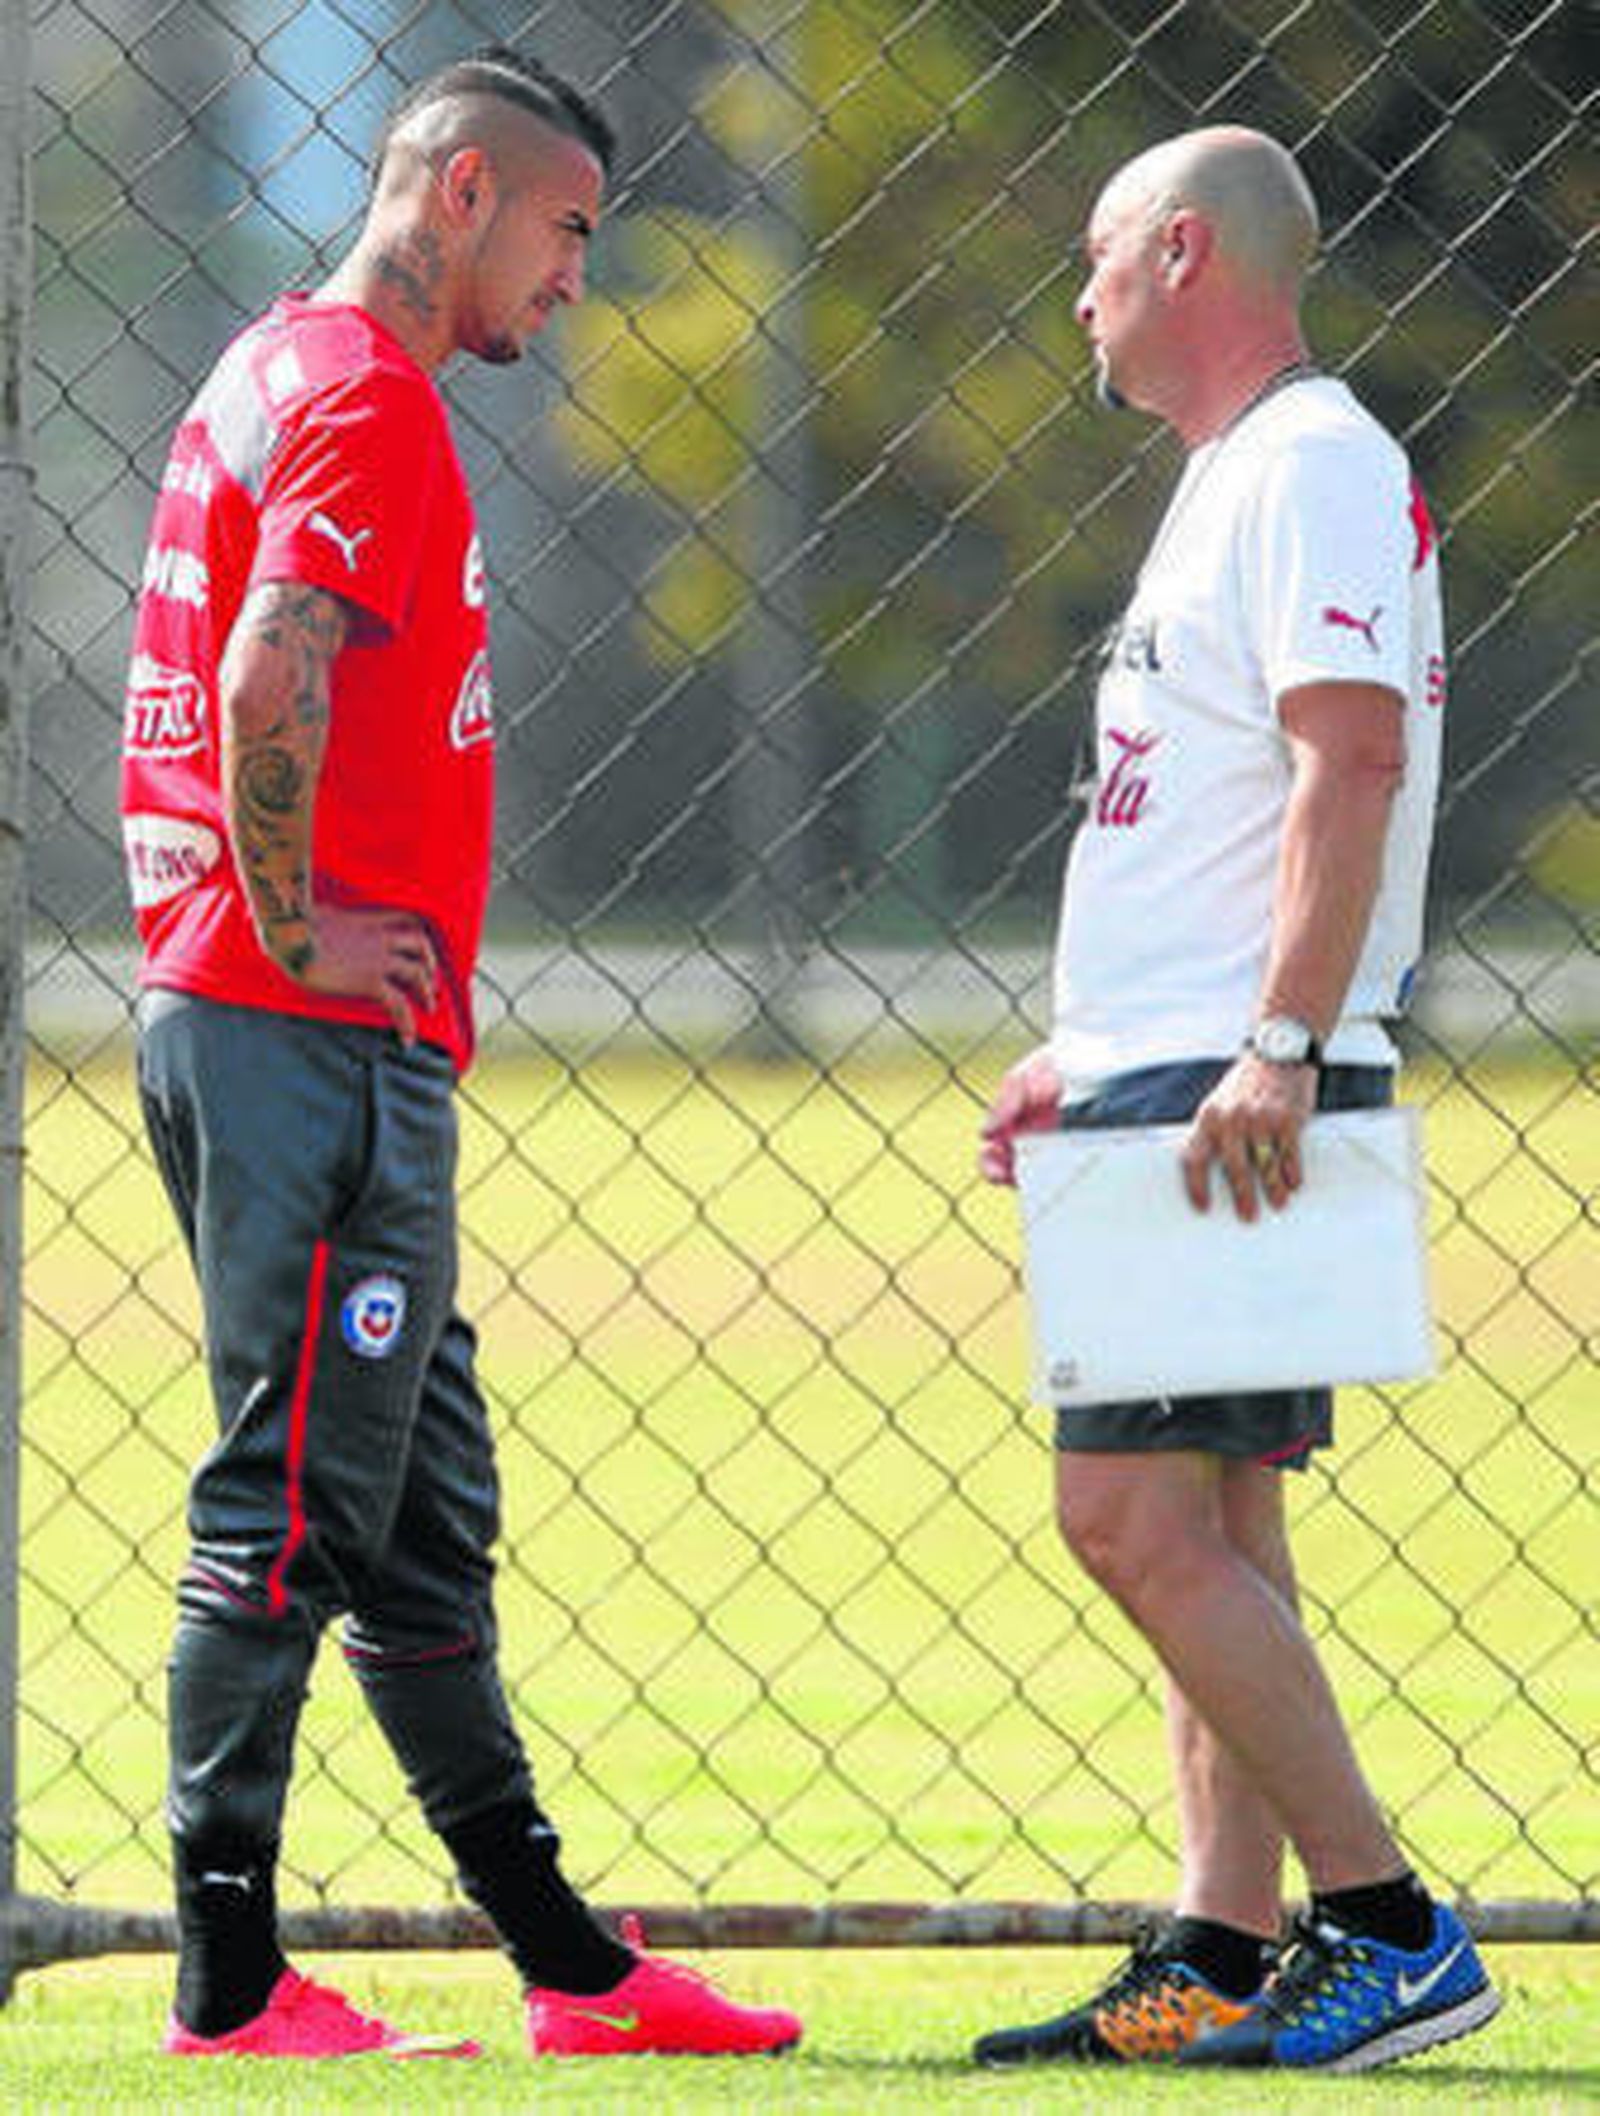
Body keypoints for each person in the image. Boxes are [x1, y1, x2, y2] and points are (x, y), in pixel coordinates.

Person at [121, 45, 801, 2063]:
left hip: (286, 1027)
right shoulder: (363, 398)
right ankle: (227, 1980)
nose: (576, 280)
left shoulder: (266, 363)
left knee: (416, 1504)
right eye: (571, 231)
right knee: (300, 1495)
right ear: (467, 195)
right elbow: (265, 664)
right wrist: (292, 920)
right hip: (298, 1031)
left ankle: (571, 1968)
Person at [971, 126, 1499, 2074]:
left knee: (1122, 1517)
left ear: (1182, 252)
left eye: (1101, 253)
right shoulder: (1226, 480)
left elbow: (1342, 767)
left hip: (1239, 1080)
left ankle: (1384, 1920)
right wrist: (1088, 1044)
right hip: (1172, 1065)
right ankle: (1217, 1936)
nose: (1082, 291)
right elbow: (1193, 806)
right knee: (1215, 1530)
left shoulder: (1307, 463)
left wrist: (1270, 1042)